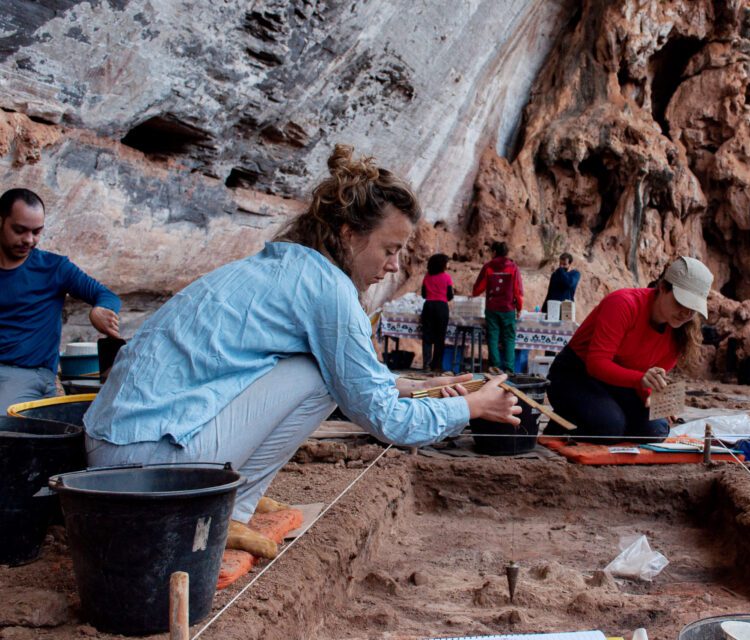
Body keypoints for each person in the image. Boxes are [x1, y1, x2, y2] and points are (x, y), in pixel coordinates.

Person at [83, 145, 521, 559]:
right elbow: (386, 420)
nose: (393, 266)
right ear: (349, 234)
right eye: (389, 250)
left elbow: (360, 379)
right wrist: (472, 407)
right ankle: (224, 511)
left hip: (116, 453)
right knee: (318, 376)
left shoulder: (289, 268)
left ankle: (233, 502)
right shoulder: (329, 290)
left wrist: (417, 385)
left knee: (323, 371)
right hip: (145, 464)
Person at [544, 256, 711, 444]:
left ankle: (601, 416)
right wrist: (641, 380)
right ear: (663, 288)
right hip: (576, 373)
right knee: (609, 428)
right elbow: (596, 364)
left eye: (693, 309)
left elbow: (652, 378)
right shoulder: (623, 303)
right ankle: (561, 423)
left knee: (656, 431)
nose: (686, 314)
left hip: (622, 383)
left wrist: (655, 398)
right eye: (681, 303)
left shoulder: (681, 333)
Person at [0, 188, 122, 412]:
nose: (29, 240)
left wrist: (100, 310)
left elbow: (107, 295)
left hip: (28, 373)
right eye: (19, 230)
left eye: (37, 232)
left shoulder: (54, 267)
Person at [472, 241, 524, 373]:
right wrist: (519, 308)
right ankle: (509, 369)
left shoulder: (488, 267)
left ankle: (494, 366)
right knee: (509, 338)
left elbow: (478, 288)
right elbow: (517, 291)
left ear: (494, 252)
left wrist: (474, 294)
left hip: (492, 308)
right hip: (508, 308)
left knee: (493, 337)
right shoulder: (513, 267)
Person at [420, 253, 454, 371]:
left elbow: (423, 294)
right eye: (446, 262)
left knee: (427, 337)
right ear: (442, 264)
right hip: (441, 307)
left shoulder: (427, 276)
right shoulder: (447, 277)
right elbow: (450, 296)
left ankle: (426, 364)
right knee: (440, 338)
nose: (448, 264)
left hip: (428, 306)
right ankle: (436, 365)